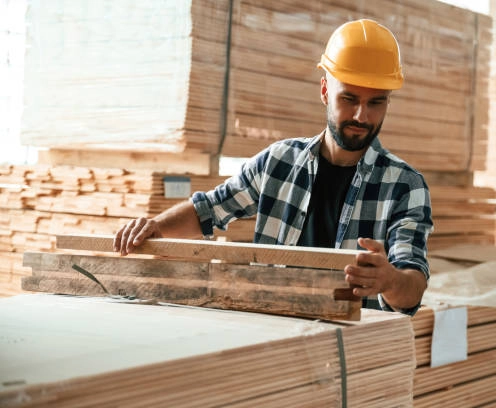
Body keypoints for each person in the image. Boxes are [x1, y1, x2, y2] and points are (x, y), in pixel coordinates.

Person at [114, 19, 434, 316]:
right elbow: (209, 209)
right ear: (325, 91)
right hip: (275, 335)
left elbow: (412, 283)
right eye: (349, 98)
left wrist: (389, 280)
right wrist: (155, 226)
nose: (362, 116)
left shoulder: (405, 186)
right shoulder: (278, 162)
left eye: (376, 102)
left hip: (355, 352)